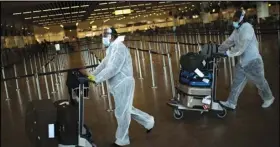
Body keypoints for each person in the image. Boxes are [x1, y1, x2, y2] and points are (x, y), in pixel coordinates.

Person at [88, 28, 155, 147]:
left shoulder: (119, 48)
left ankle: (122, 140)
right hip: (117, 84)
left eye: (105, 35)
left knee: (121, 112)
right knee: (127, 109)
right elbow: (104, 64)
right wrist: (91, 75)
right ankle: (149, 121)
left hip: (124, 83)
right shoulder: (112, 49)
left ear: (112, 36)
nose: (103, 38)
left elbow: (113, 68)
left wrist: (97, 79)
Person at [218, 9, 275, 110]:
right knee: (236, 83)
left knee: (260, 82)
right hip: (242, 62)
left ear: (242, 19)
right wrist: (219, 50)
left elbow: (241, 46)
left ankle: (269, 98)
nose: (234, 22)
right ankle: (231, 103)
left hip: (253, 62)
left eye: (236, 19)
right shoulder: (237, 30)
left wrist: (228, 53)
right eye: (233, 19)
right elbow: (229, 42)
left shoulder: (247, 28)